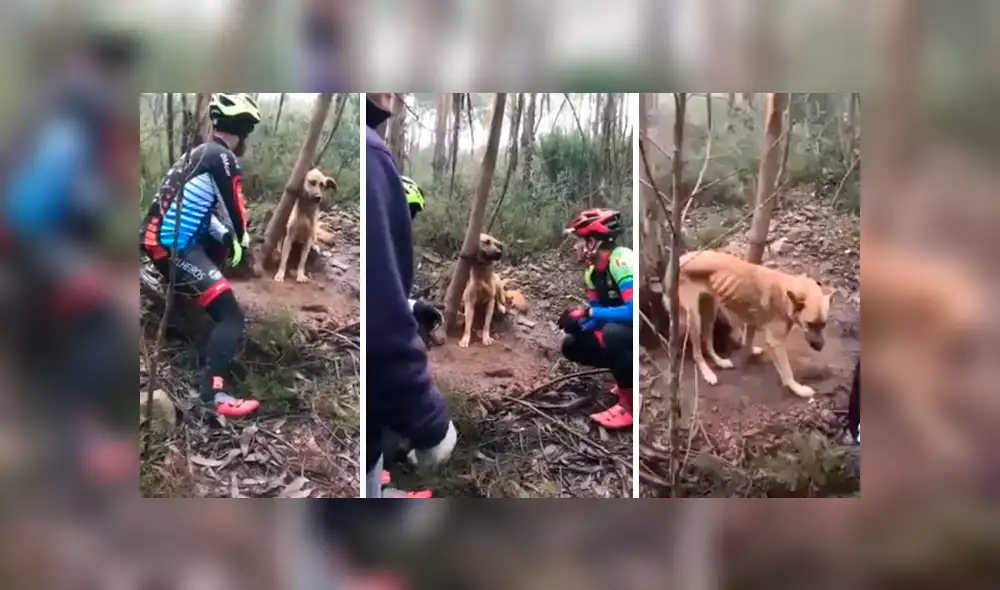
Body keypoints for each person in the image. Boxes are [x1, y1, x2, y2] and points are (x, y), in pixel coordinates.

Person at [140, 93, 261, 419]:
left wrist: (225, 238)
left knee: (220, 252)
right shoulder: (222, 157)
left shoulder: (198, 154)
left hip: (165, 242)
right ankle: (214, 394)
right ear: (244, 130)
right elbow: (236, 210)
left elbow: (198, 210)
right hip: (172, 247)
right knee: (231, 316)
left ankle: (199, 328)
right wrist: (242, 241)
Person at [366, 93, 456, 498]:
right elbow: (380, 323)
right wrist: (428, 418)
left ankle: (380, 484)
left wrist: (410, 304)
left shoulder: (371, 149)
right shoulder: (371, 153)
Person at [559, 208, 635, 429]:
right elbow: (598, 317)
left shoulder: (622, 262)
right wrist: (579, 325)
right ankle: (624, 377)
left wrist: (589, 313)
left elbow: (633, 311)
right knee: (572, 344)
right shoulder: (592, 273)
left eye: (578, 241)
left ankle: (629, 406)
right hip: (626, 333)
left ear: (591, 243)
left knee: (613, 333)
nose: (575, 247)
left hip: (650, 332)